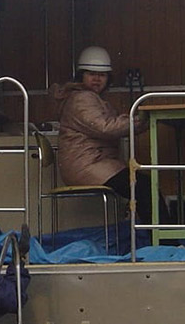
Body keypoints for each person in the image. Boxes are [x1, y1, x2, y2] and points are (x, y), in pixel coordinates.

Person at [52, 46, 164, 223]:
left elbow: (109, 126)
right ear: (81, 76)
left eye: (102, 75)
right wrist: (141, 120)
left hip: (91, 163)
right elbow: (104, 127)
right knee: (144, 187)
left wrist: (141, 122)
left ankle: (158, 234)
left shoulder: (88, 97)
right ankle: (161, 236)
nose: (97, 79)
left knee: (143, 186)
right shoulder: (82, 98)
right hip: (88, 165)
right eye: (91, 74)